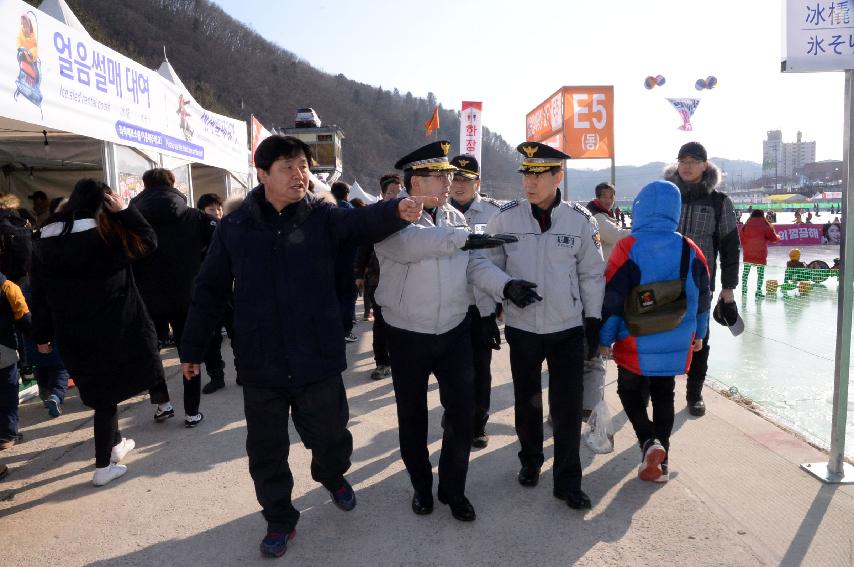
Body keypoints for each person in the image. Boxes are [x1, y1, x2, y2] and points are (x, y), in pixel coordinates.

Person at [178, 135, 428, 558]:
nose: (300, 175)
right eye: (288, 168)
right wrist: (191, 349)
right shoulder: (235, 228)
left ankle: (331, 474)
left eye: (303, 167)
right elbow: (209, 290)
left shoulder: (322, 217)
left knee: (331, 435)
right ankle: (279, 518)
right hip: (261, 361)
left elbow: (360, 224)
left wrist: (397, 210)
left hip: (316, 354)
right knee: (266, 450)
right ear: (262, 174)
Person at [375, 141, 533, 523]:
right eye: (439, 175)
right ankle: (420, 486)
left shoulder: (454, 219)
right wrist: (464, 239)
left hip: (454, 330)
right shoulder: (391, 216)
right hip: (406, 333)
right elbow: (412, 246)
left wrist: (505, 285)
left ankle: (453, 489)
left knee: (462, 415)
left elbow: (475, 264)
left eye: (450, 175)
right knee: (412, 417)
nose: (448, 182)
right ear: (415, 180)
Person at [484, 141, 606, 510]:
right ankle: (531, 460)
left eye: (538, 175)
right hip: (522, 328)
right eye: (525, 174)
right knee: (527, 402)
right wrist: (504, 290)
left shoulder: (580, 220)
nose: (529, 183)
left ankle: (568, 481)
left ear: (558, 176)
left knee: (567, 408)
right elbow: (484, 263)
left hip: (567, 328)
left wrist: (593, 319)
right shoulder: (505, 218)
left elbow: (591, 274)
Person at [30, 179, 161, 486]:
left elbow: (39, 294)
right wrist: (125, 211)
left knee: (103, 391)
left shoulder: (45, 240)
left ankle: (116, 445)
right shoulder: (106, 234)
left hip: (72, 331)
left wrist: (41, 335)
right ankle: (103, 467)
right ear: (103, 201)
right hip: (112, 327)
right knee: (105, 398)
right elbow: (149, 241)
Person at [600, 180, 711, 482]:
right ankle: (661, 464)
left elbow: (613, 297)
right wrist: (699, 333)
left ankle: (649, 441)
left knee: (628, 390)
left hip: (633, 339)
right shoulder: (689, 248)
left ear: (640, 209)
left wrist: (604, 338)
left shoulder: (628, 246)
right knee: (665, 394)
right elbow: (703, 297)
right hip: (675, 336)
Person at [131, 169, 217, 427]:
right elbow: (217, 247)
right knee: (188, 352)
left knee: (151, 352)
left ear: (144, 186)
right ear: (172, 184)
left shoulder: (132, 219)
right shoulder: (195, 217)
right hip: (187, 294)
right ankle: (192, 412)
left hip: (146, 297)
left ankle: (162, 404)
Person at [665, 141, 740, 417]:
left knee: (699, 338)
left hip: (700, 285)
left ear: (704, 166)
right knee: (658, 332)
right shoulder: (666, 195)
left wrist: (728, 288)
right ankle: (656, 387)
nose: (687, 166)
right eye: (682, 160)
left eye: (693, 161)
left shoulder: (719, 202)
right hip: (662, 281)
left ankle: (694, 393)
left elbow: (730, 246)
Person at [447, 154, 504, 449]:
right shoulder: (439, 212)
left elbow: (504, 259)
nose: (458, 185)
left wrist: (502, 301)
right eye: (454, 178)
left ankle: (478, 423)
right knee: (449, 368)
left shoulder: (495, 213)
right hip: (447, 305)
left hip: (481, 307)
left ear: (477, 182)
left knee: (480, 368)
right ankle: (454, 414)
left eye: (465, 180)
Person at [583, 182, 631, 421]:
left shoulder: (611, 214)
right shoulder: (598, 217)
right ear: (597, 197)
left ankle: (599, 348)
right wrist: (642, 231)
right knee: (602, 321)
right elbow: (619, 236)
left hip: (607, 274)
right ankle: (601, 348)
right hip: (602, 275)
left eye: (612, 196)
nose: (609, 200)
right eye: (605, 197)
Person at [354, 174, 402, 380]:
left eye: (399, 193)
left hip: (404, 280)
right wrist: (359, 273)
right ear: (382, 194)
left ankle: (401, 360)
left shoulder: (411, 214)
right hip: (378, 278)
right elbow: (362, 246)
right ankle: (382, 363)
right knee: (381, 323)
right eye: (391, 193)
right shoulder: (373, 217)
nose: (395, 197)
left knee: (402, 323)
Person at [195, 193, 235, 395]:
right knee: (212, 337)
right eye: (211, 209)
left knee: (238, 333)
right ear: (202, 211)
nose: (217, 213)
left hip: (233, 291)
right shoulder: (198, 232)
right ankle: (216, 376)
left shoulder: (232, 228)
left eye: (219, 209)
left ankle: (244, 372)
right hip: (211, 293)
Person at [0, 270, 31, 451]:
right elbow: (24, 318)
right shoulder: (8, 287)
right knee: (8, 393)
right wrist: (40, 339)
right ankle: (7, 435)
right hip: (4, 349)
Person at [331, 181, 359, 343]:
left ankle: (333, 330)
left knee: (333, 297)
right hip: (349, 262)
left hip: (329, 262)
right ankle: (345, 331)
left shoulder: (326, 210)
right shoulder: (351, 211)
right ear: (347, 194)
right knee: (347, 298)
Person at [741, 209, 780, 297]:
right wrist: (778, 236)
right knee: (760, 273)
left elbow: (741, 238)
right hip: (760, 254)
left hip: (748, 253)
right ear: (762, 215)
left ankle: (744, 290)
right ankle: (758, 291)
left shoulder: (746, 225)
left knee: (746, 272)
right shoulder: (765, 225)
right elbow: (773, 238)